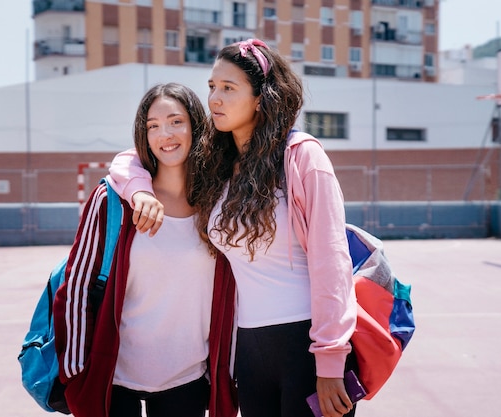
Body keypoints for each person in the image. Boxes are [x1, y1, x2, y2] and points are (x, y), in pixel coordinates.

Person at [108, 39, 358, 417]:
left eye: (228, 88)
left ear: (260, 98)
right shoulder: (218, 162)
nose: (214, 99)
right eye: (211, 87)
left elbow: (332, 262)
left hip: (306, 344)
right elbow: (135, 155)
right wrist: (139, 190)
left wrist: (330, 361)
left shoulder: (302, 156)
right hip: (248, 350)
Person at [53, 83, 237, 417]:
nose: (165, 134)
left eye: (176, 121)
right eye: (153, 126)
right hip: (115, 380)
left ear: (196, 125)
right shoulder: (114, 201)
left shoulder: (218, 205)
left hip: (189, 380)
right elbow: (76, 286)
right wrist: (76, 371)